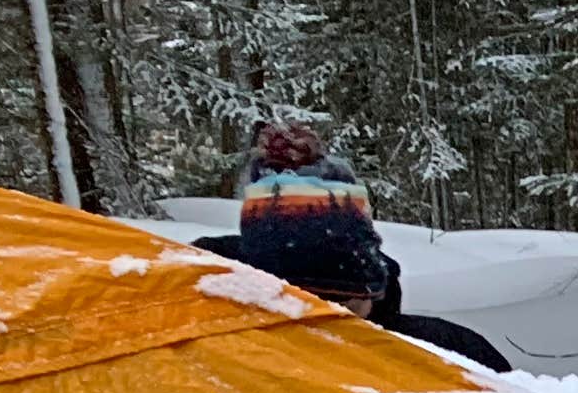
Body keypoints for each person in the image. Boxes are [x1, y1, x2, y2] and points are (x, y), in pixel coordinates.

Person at [214, 120, 512, 370]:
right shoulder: (450, 353)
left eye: (342, 304)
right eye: (303, 303)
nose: (325, 325)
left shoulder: (451, 353)